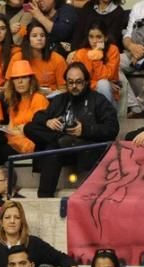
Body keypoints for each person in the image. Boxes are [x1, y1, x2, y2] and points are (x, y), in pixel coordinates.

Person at [24, 61, 119, 197]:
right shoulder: (59, 100)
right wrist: (47, 122)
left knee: (52, 149)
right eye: (70, 82)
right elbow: (37, 119)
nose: (74, 86)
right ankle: (44, 196)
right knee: (31, 129)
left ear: (86, 82)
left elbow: (112, 128)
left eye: (78, 82)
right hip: (62, 148)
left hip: (85, 148)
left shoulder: (98, 100)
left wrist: (85, 130)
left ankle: (62, 140)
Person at [3, 59, 50, 155]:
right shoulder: (13, 103)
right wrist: (20, 130)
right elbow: (11, 130)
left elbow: (38, 130)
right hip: (15, 143)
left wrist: (22, 130)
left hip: (34, 145)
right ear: (12, 83)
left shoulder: (38, 99)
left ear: (31, 80)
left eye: (24, 77)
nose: (20, 81)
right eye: (16, 78)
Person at [70, 20, 121, 105]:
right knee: (103, 84)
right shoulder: (81, 53)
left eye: (98, 37)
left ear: (105, 38)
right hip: (85, 94)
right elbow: (79, 81)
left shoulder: (113, 50)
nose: (94, 41)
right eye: (91, 37)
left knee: (103, 84)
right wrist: (96, 84)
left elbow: (107, 76)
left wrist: (96, 56)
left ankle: (106, 116)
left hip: (108, 96)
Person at [17, 21, 66, 93]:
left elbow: (64, 89)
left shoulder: (57, 59)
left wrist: (51, 92)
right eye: (34, 36)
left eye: (42, 35)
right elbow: (10, 85)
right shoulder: (18, 58)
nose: (39, 38)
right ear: (28, 39)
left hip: (51, 99)